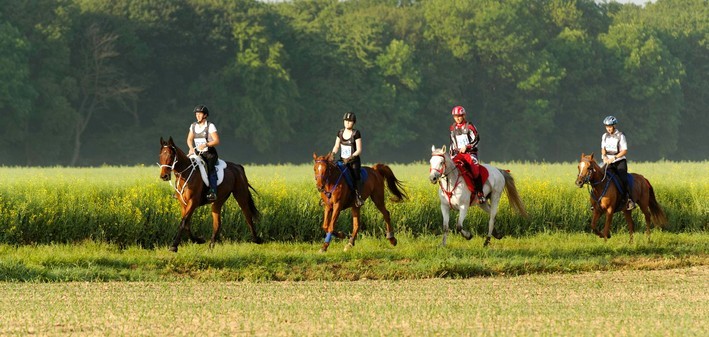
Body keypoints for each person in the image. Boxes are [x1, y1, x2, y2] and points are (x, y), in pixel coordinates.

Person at [449, 105, 485, 204]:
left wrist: (467, 146)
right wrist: (450, 155)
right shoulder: (452, 128)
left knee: (475, 168)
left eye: (459, 116)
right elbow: (452, 143)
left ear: (464, 115)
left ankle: (480, 193)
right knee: (449, 168)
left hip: (470, 153)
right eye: (455, 116)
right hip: (458, 154)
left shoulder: (469, 126)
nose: (457, 118)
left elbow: (476, 139)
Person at [187, 104, 220, 201]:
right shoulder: (193, 126)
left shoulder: (210, 126)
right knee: (187, 166)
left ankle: (213, 191)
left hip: (209, 154)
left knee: (210, 169)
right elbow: (189, 139)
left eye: (200, 114)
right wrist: (191, 148)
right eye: (196, 114)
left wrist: (206, 144)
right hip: (197, 153)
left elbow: (217, 141)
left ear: (205, 115)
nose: (197, 116)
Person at [601, 115, 635, 210]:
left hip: (619, 161)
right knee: (599, 175)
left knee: (623, 178)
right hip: (608, 161)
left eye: (610, 126)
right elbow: (603, 149)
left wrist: (614, 157)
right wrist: (604, 156)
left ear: (614, 126)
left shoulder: (620, 136)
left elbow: (624, 151)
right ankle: (596, 200)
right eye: (607, 127)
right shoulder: (604, 136)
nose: (608, 129)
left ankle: (629, 199)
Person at [331, 112, 364, 207]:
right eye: (346, 121)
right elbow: (336, 146)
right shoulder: (340, 132)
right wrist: (332, 154)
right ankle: (327, 196)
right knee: (332, 172)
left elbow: (359, 150)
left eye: (350, 121)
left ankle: (358, 197)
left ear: (354, 123)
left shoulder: (356, 133)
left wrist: (350, 158)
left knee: (355, 175)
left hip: (353, 161)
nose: (347, 123)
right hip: (342, 160)